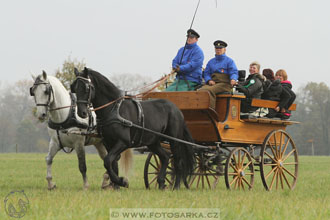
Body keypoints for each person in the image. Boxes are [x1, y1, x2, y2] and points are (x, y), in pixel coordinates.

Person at [198, 40, 238, 109]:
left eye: (220, 48)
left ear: (224, 50)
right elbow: (206, 73)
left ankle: (210, 111)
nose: (218, 50)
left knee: (209, 91)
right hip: (213, 83)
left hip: (225, 84)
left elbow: (233, 71)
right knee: (199, 91)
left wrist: (233, 79)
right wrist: (209, 80)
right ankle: (199, 110)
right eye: (217, 48)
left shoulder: (229, 61)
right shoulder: (211, 62)